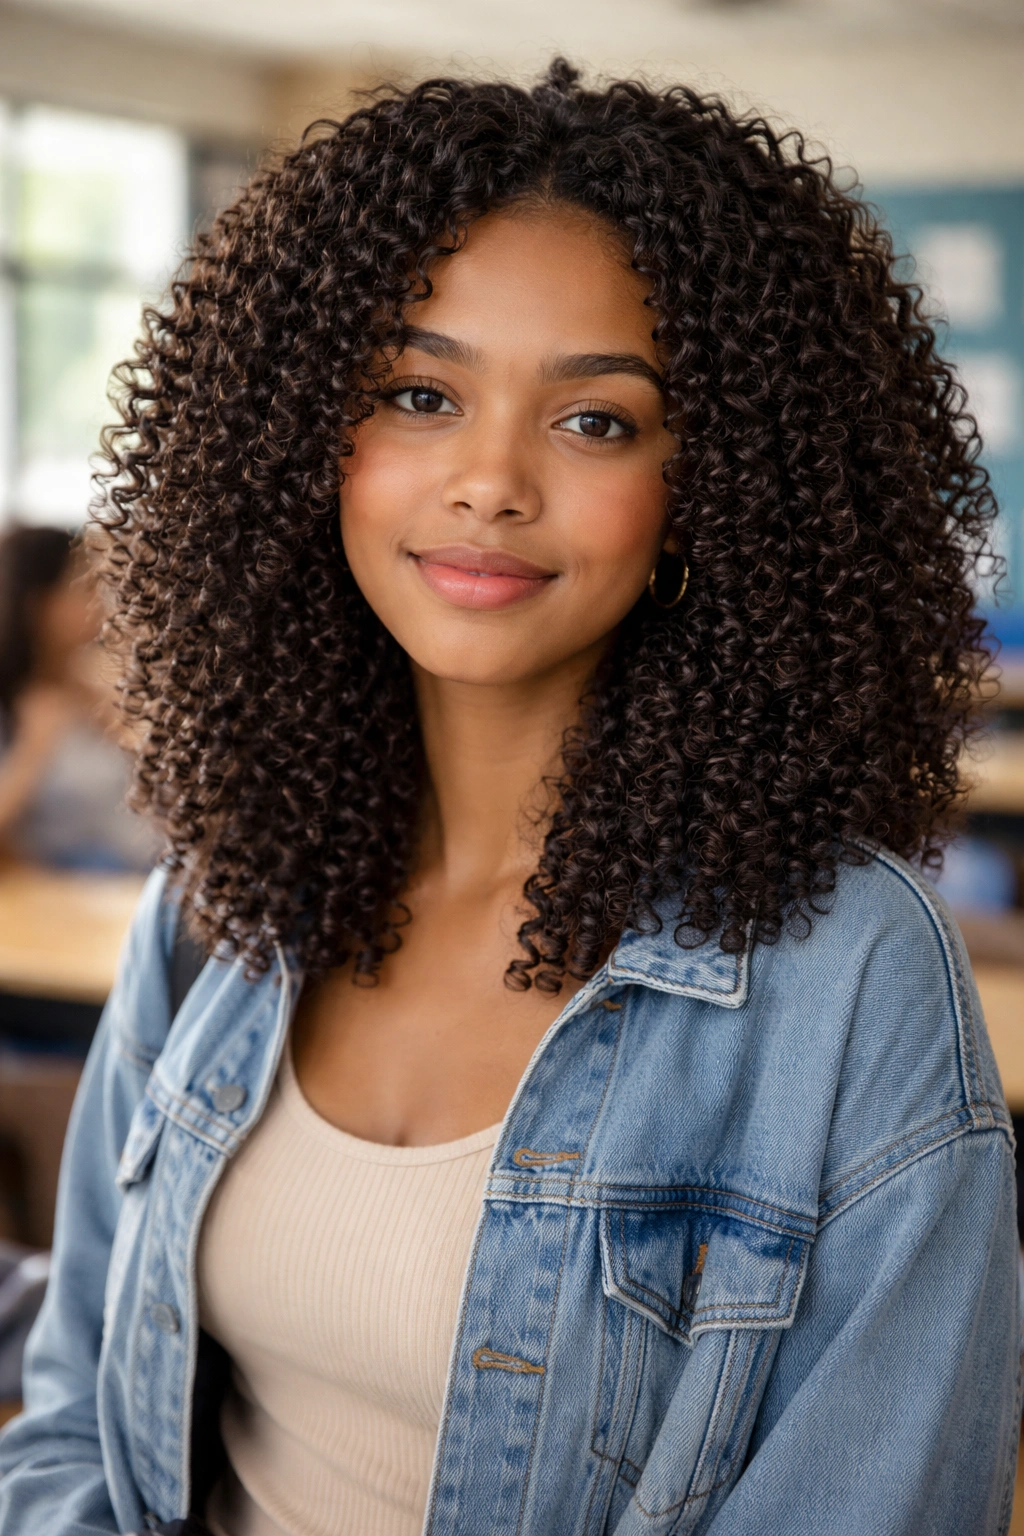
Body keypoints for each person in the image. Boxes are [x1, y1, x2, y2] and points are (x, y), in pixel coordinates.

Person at [0, 60, 1018, 1536]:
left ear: (708, 491)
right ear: (307, 449)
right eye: (419, 394)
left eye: (595, 421)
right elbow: (77, 1431)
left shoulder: (846, 975)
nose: (489, 481)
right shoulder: (224, 902)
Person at [0, 526, 156, 874]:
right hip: (61, 897)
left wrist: (125, 735)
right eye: (85, 588)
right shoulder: (19, 708)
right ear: (39, 603)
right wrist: (32, 751)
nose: (100, 604)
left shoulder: (97, 690)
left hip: (127, 882)